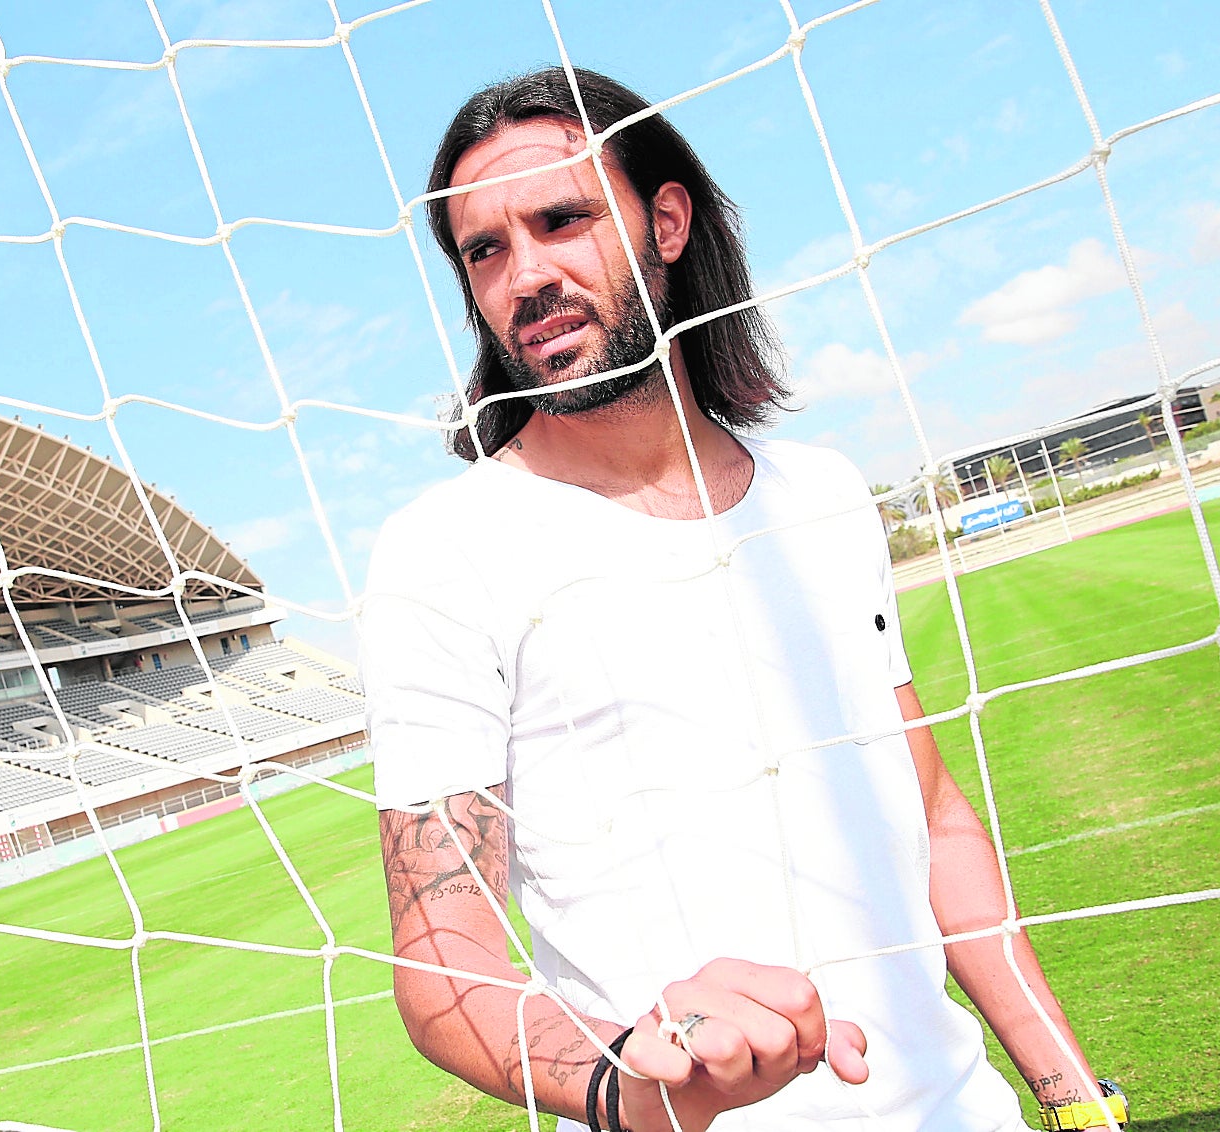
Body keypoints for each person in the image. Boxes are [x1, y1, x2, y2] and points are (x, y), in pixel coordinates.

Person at [358, 68, 1126, 1132]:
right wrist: (627, 1080)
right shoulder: (441, 552)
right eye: (482, 250)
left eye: (560, 220)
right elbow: (443, 964)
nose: (522, 275)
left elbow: (935, 820)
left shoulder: (821, 494)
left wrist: (1075, 1099)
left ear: (664, 221)